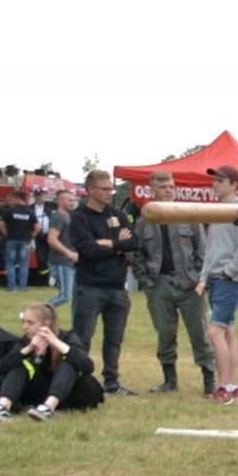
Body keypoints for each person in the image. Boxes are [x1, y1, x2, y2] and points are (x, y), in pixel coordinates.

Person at [133, 171, 217, 396]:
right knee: (165, 332)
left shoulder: (189, 216)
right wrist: (146, 281)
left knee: (199, 333)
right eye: (163, 187)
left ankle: (209, 380)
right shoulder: (144, 221)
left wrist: (201, 278)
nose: (169, 190)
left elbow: (203, 250)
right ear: (152, 190)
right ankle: (169, 379)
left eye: (171, 186)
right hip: (159, 283)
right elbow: (137, 254)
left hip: (189, 284)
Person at [69, 169, 138, 395]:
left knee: (114, 339)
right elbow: (87, 249)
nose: (110, 193)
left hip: (117, 288)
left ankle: (111, 382)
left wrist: (109, 244)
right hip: (90, 287)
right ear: (90, 190)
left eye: (111, 189)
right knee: (82, 337)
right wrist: (117, 243)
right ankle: (75, 380)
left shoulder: (117, 214)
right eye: (105, 189)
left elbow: (134, 242)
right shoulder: (80, 217)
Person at [195, 165, 238, 406]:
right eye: (214, 180)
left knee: (215, 332)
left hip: (229, 280)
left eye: (221, 180)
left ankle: (224, 388)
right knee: (227, 331)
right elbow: (212, 249)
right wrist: (204, 277)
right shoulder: (219, 211)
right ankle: (232, 385)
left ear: (234, 184)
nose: (215, 184)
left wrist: (231, 273)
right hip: (218, 278)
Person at [0, 301, 105, 421]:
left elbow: (88, 366)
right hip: (43, 393)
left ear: (46, 324)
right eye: (24, 322)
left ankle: (48, 408)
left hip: (76, 394)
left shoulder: (67, 336)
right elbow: (0, 369)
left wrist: (55, 342)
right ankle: (2, 407)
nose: (25, 326)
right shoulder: (26, 341)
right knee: (19, 364)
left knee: (69, 361)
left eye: (30, 323)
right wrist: (27, 350)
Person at [45, 188, 80, 314]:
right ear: (60, 202)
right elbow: (51, 239)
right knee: (65, 296)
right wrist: (69, 253)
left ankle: (76, 326)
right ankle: (36, 313)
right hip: (60, 262)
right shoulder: (58, 217)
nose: (73, 202)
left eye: (74, 200)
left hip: (71, 263)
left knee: (77, 297)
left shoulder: (69, 217)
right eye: (69, 200)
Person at [0, 188, 37, 293]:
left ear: (18, 198)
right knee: (24, 264)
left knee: (10, 264)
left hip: (11, 240)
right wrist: (31, 238)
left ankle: (11, 287)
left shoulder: (10, 211)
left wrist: (6, 234)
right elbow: (38, 228)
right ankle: (23, 287)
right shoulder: (30, 212)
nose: (12, 201)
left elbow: (1, 224)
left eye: (13, 198)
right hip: (25, 241)